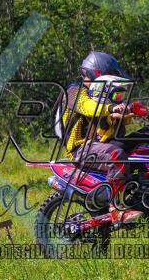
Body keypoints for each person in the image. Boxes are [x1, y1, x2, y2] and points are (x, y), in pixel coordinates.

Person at [61, 51, 142, 224]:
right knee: (116, 155)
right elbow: (89, 107)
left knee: (144, 140)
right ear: (96, 74)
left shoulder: (102, 94)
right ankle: (116, 209)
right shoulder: (74, 92)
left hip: (101, 144)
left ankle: (143, 193)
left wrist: (134, 110)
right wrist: (111, 108)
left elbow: (114, 116)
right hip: (80, 149)